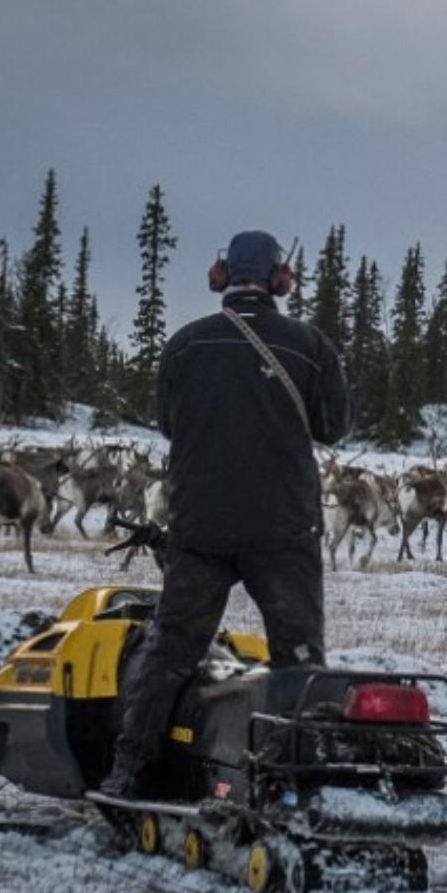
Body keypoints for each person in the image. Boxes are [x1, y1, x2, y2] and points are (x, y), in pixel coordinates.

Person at [99, 229, 352, 798]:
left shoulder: (185, 345)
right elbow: (334, 428)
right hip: (283, 531)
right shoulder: (311, 347)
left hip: (200, 527)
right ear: (280, 280)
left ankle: (127, 774)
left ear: (221, 277)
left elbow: (168, 423)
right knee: (300, 661)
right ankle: (300, 782)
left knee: (170, 653)